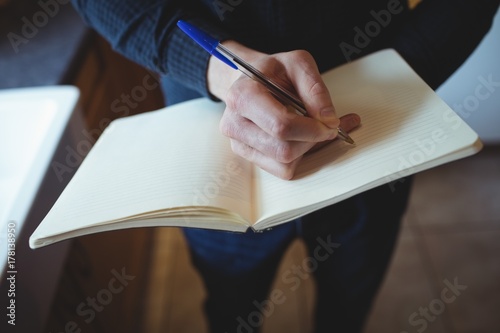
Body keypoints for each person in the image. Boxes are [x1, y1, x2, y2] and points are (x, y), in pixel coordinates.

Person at [71, 1, 499, 332]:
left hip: (374, 133)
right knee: (230, 308)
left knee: (349, 304)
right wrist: (216, 68)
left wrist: (392, 76)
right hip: (210, 140)